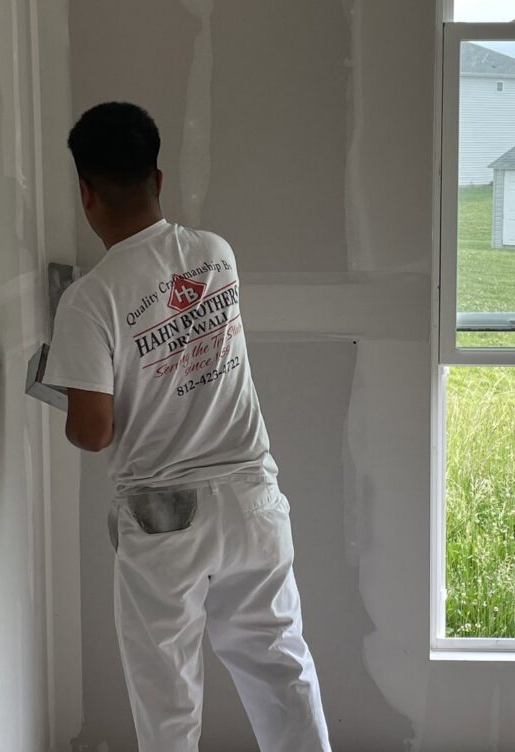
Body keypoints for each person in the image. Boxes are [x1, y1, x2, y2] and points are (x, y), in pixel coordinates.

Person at [44, 102, 331, 752]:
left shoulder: (90, 299)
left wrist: (73, 387)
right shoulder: (214, 254)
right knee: (282, 671)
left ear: (86, 192)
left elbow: (93, 432)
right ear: (158, 178)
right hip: (253, 501)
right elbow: (186, 366)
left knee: (168, 702)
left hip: (165, 519)